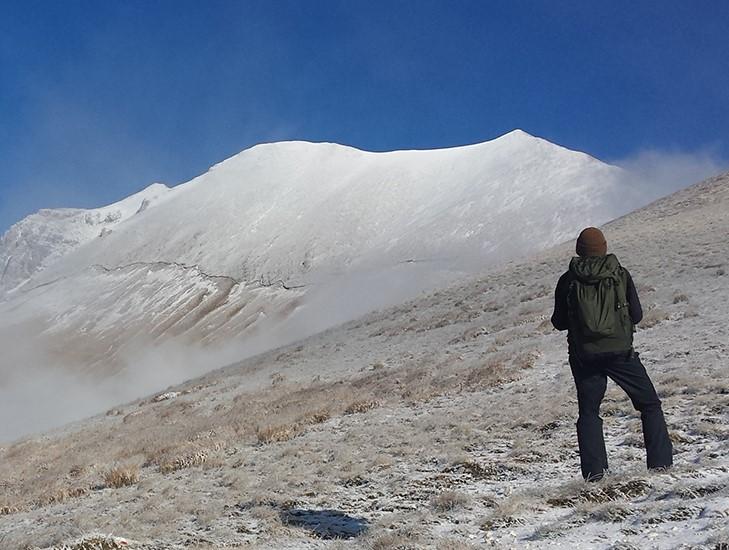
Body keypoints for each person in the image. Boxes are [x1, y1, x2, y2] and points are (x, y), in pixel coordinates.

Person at [551, 227, 673, 481]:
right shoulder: (620, 274)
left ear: (579, 249)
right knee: (650, 405)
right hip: (620, 353)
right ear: (604, 247)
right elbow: (637, 315)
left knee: (589, 413)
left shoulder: (567, 280)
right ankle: (661, 466)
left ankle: (595, 476)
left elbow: (559, 322)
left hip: (584, 356)